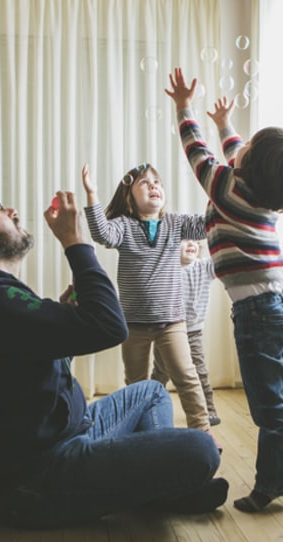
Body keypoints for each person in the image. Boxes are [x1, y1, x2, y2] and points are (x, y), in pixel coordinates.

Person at [0, 181, 228, 528]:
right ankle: (157, 485)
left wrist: (61, 316)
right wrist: (75, 240)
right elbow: (112, 326)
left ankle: (155, 483)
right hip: (41, 477)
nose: (12, 211)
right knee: (200, 449)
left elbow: (27, 361)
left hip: (71, 434)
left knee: (152, 392)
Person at [165, 67, 283, 513]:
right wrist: (226, 125)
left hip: (258, 312)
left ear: (248, 168)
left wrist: (184, 108)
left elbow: (198, 155)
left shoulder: (228, 190)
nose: (239, 147)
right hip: (280, 307)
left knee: (266, 405)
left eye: (246, 147)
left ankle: (270, 486)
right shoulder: (256, 192)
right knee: (278, 396)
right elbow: (236, 153)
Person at [81, 163, 214, 436]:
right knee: (136, 384)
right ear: (129, 197)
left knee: (187, 377)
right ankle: (140, 436)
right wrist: (92, 195)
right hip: (134, 324)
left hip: (172, 321)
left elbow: (205, 226)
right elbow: (101, 234)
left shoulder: (175, 223)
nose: (154, 185)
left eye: (157, 182)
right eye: (144, 182)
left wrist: (218, 192)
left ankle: (203, 433)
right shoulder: (123, 226)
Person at [151, 239, 221, 426]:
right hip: (167, 331)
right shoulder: (166, 268)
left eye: (194, 241)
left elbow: (221, 259)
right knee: (161, 371)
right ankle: (148, 407)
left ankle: (209, 410)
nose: (191, 244)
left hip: (193, 331)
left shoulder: (204, 267)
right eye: (184, 240)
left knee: (200, 371)